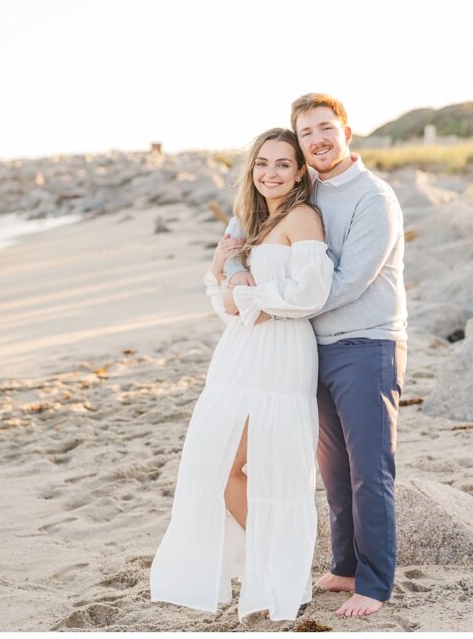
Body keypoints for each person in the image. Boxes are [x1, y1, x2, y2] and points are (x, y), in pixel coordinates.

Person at [223, 94, 407, 618]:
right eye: (307, 133)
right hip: (314, 348)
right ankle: (346, 565)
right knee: (334, 467)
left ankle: (373, 584)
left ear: (347, 131)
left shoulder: (374, 196)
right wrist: (234, 267)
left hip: (368, 343)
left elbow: (349, 281)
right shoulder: (307, 190)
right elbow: (246, 227)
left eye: (326, 128)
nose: (318, 139)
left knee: (370, 469)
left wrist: (265, 301)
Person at [150, 127, 334, 622]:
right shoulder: (250, 220)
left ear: (299, 173)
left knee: (262, 468)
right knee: (220, 466)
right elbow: (217, 278)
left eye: (282, 164)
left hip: (279, 355)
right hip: (239, 353)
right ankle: (267, 567)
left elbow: (310, 293)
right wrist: (234, 282)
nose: (270, 173)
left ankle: (276, 572)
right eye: (262, 164)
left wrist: (248, 296)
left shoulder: (302, 217)